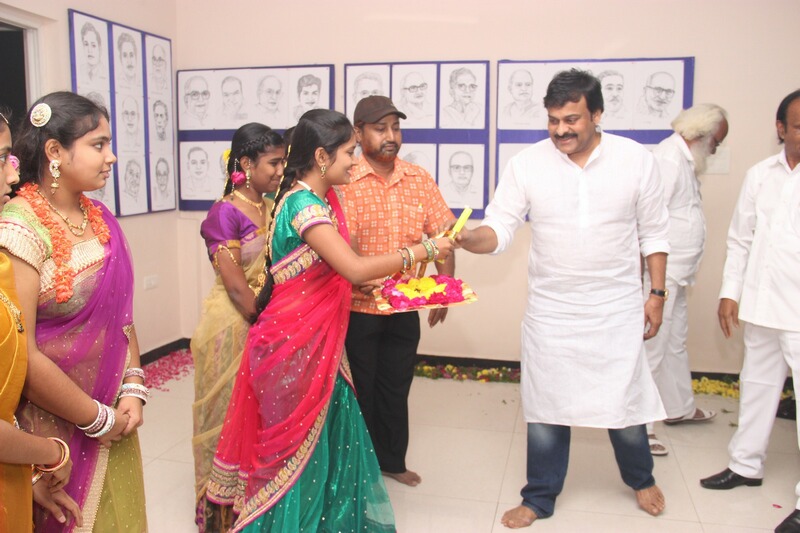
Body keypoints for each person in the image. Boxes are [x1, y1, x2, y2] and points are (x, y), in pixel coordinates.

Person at [207, 108, 453, 531]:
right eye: (348, 153)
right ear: (322, 157)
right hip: (292, 347)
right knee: (291, 453)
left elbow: (334, 272)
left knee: (325, 441)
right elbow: (354, 268)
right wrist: (425, 251)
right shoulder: (304, 206)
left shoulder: (322, 200)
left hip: (316, 343)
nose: (354, 162)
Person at [455, 69, 669, 528]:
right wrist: (468, 239)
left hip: (616, 306)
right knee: (546, 406)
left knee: (624, 403)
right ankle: (539, 497)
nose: (560, 130)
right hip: (552, 310)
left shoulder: (635, 160)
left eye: (571, 119)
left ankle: (641, 478)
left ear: (597, 114)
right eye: (553, 120)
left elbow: (655, 233)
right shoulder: (528, 164)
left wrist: (656, 293)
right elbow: (502, 226)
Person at [0, 92, 148, 531]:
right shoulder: (19, 228)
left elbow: (120, 317)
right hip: (54, 427)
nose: (112, 157)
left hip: (113, 417)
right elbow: (20, 353)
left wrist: (133, 388)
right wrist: (96, 418)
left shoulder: (99, 216)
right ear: (54, 152)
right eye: (99, 144)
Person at [341, 95, 456, 487]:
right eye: (380, 128)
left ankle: (391, 460)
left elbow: (443, 233)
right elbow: (338, 248)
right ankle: (358, 468)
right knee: (360, 393)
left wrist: (443, 290)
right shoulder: (344, 179)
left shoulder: (418, 178)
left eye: (395, 127)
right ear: (358, 133)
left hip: (405, 306)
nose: (391, 136)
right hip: (356, 309)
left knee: (396, 388)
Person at [699, 89, 800, 533]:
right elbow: (741, 239)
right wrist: (730, 292)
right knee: (756, 387)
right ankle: (745, 466)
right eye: (798, 124)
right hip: (761, 305)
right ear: (780, 129)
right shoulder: (761, 175)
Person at [191, 123, 286, 532]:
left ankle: (251, 499)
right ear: (246, 164)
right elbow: (233, 282)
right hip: (231, 325)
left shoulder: (270, 206)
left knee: (257, 417)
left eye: (284, 161)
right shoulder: (223, 213)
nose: (281, 170)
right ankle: (216, 511)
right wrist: (265, 321)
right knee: (224, 416)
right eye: (274, 162)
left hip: (263, 321)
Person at [0, 108, 82, 531]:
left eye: (10, 158)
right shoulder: (19, 232)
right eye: (0, 159)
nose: (13, 176)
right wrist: (50, 452)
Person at [644, 103, 729, 456]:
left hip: (678, 274)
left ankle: (677, 408)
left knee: (674, 341)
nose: (715, 149)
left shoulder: (684, 160)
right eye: (715, 142)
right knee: (654, 346)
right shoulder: (668, 159)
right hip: (661, 276)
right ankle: (641, 429)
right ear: (701, 134)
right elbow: (649, 221)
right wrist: (654, 287)